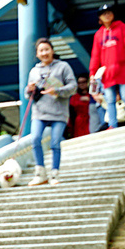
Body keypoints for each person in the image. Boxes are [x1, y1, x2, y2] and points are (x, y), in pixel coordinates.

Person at [26, 38, 77, 185]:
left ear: (52, 51)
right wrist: (29, 90)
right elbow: (27, 94)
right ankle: (40, 173)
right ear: (37, 54)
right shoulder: (34, 71)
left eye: (47, 49)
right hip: (39, 111)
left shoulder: (63, 66)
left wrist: (57, 90)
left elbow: (73, 86)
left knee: (55, 142)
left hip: (58, 112)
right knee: (35, 138)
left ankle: (55, 174)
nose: (44, 53)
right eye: (41, 50)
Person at [89, 4, 125, 129]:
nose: (107, 15)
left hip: (122, 69)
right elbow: (95, 55)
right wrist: (92, 73)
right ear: (100, 18)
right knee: (109, 99)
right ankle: (112, 124)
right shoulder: (98, 35)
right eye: (104, 14)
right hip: (107, 73)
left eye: (109, 12)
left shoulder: (121, 27)